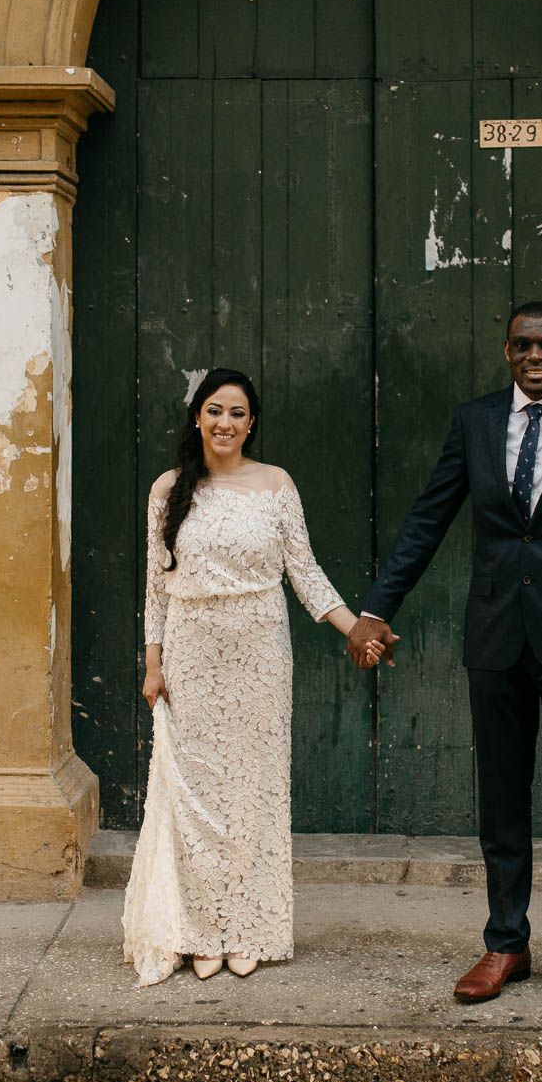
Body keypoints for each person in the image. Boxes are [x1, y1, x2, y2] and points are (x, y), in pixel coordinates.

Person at [346, 302, 542, 1014]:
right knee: (502, 804)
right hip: (495, 638)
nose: (534, 355)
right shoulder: (475, 422)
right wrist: (375, 607)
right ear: (506, 351)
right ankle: (505, 943)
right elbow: (429, 517)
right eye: (522, 345)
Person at [122, 368, 380, 985]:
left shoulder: (275, 484)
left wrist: (355, 628)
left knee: (252, 793)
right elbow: (158, 587)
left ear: (251, 423)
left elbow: (306, 572)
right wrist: (154, 663)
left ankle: (247, 926)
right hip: (191, 652)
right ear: (197, 417)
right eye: (214, 411)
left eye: (237, 413)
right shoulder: (169, 489)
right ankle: (202, 928)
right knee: (199, 796)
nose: (224, 424)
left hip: (261, 651)